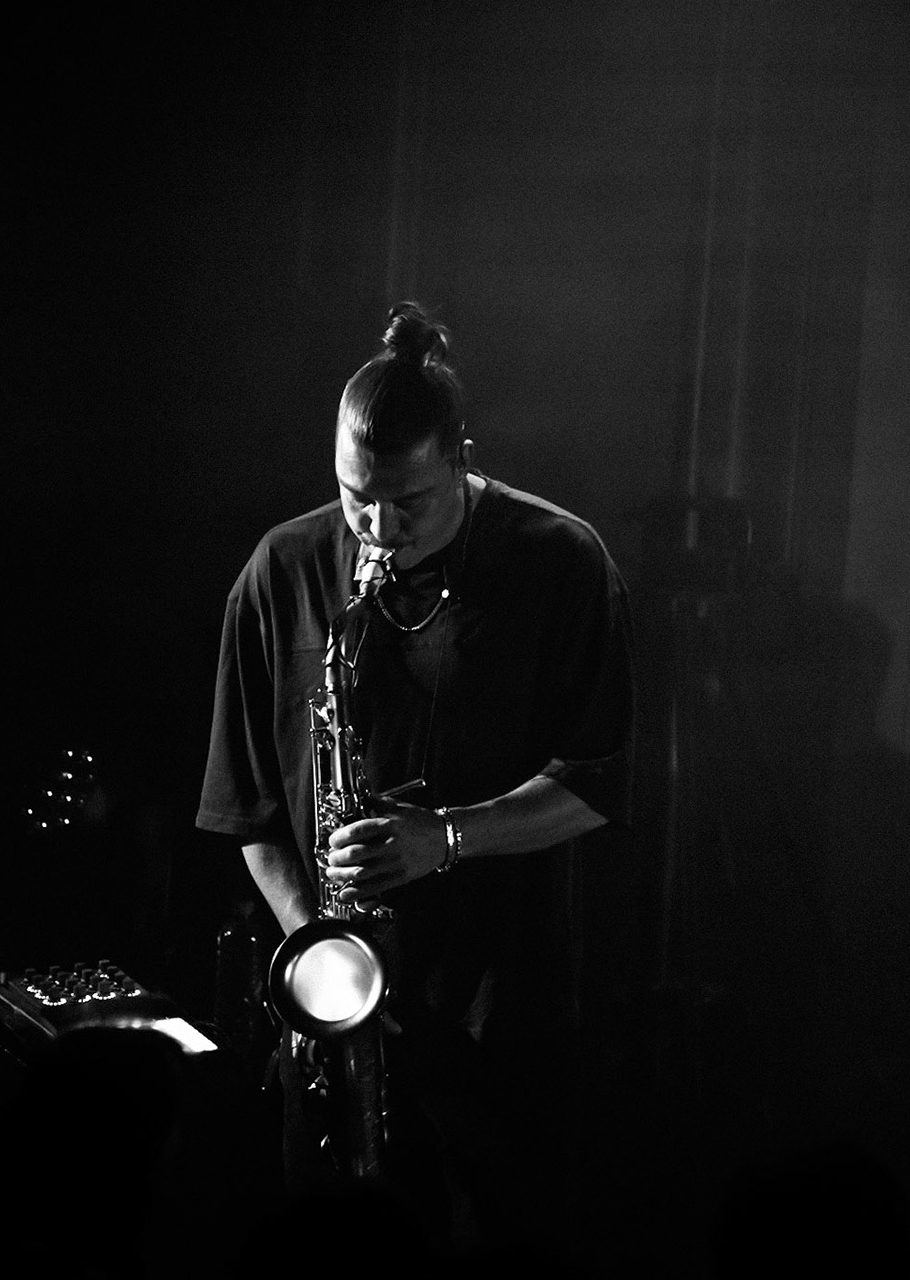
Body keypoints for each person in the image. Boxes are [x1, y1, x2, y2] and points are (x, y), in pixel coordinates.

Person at [196, 301, 633, 1250]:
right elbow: (248, 807)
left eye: (410, 502)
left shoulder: (562, 561)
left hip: (498, 1005)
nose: (379, 530)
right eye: (357, 498)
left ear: (461, 457)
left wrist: (447, 837)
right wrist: (325, 957)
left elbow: (602, 783)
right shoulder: (282, 568)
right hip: (340, 1004)